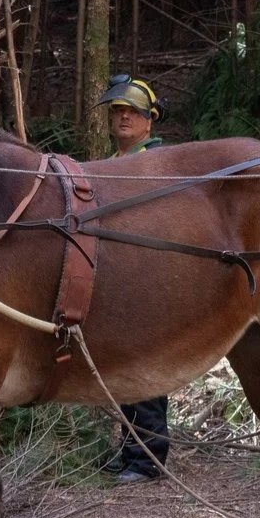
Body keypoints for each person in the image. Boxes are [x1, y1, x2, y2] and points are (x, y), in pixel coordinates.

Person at [95, 75, 174, 480]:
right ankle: (130, 451)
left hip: (148, 277)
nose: (124, 117)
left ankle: (148, 459)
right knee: (125, 369)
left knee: (144, 368)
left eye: (132, 112)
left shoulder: (155, 162)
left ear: (150, 121)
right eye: (117, 111)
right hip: (118, 278)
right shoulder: (113, 164)